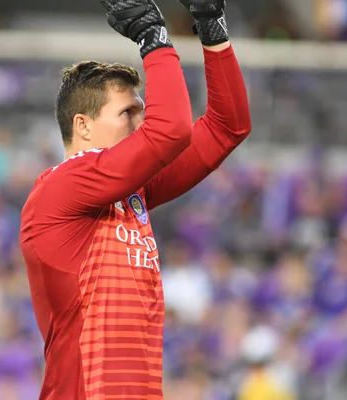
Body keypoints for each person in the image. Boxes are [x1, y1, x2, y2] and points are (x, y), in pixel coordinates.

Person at [19, 0, 251, 398]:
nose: (141, 123)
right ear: (83, 127)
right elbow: (172, 129)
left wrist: (212, 27)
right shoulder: (60, 187)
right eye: (128, 113)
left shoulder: (131, 195)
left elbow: (228, 127)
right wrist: (152, 36)